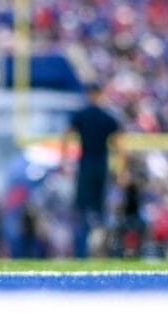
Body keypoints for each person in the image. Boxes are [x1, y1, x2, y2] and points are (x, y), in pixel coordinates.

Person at [60, 83, 121, 258]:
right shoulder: (107, 117)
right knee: (98, 211)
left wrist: (64, 161)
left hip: (87, 165)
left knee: (83, 210)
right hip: (100, 165)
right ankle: (99, 250)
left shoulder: (82, 115)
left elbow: (66, 136)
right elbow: (119, 146)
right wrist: (120, 170)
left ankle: (83, 251)